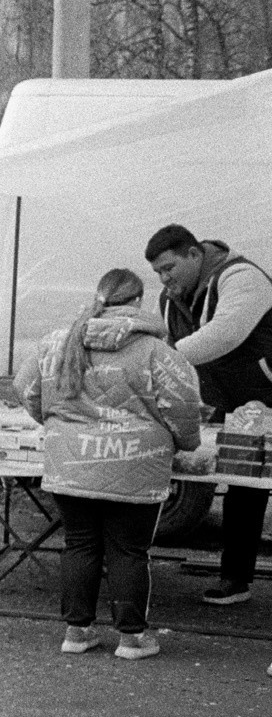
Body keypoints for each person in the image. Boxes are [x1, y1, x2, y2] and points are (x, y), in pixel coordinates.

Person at [17, 268, 202, 660]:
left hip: (70, 463)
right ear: (137, 301)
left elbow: (25, 388)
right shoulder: (158, 352)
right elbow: (183, 408)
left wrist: (56, 425)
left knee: (79, 544)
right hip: (136, 464)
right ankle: (132, 639)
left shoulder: (57, 341)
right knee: (129, 550)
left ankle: (77, 633)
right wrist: (186, 444)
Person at [145, 223, 272, 605]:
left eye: (169, 268)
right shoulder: (171, 297)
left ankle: (236, 577)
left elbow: (225, 334)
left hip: (267, 395)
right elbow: (161, 338)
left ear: (195, 254)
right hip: (224, 403)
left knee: (251, 487)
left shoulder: (242, 277)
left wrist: (159, 361)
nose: (165, 278)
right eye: (158, 273)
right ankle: (236, 580)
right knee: (241, 486)